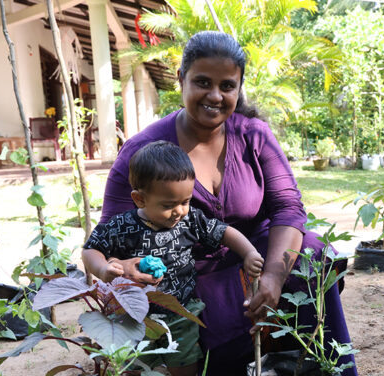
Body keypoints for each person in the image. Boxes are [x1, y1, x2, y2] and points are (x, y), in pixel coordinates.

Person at [99, 31, 358, 375]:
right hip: (189, 277)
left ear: (239, 88)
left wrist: (274, 277)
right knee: (199, 318)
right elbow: (112, 239)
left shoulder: (253, 135)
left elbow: (288, 208)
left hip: (257, 259)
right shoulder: (143, 152)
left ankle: (328, 368)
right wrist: (126, 268)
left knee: (310, 254)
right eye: (203, 82)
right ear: (181, 80)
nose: (215, 96)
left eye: (227, 86)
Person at [82, 140, 264, 376]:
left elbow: (223, 232)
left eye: (185, 201)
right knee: (134, 365)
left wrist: (248, 252)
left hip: (181, 312)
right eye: (168, 205)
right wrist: (104, 269)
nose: (179, 210)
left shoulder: (190, 220)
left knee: (185, 362)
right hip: (134, 315)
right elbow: (90, 249)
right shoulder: (122, 226)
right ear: (140, 199)